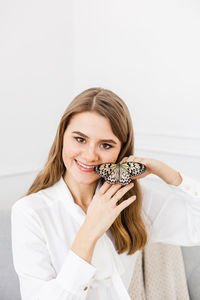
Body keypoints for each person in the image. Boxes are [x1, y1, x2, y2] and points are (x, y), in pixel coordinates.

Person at [11, 87, 200, 300]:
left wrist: (165, 171)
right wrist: (91, 228)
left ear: (121, 151)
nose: (90, 155)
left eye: (106, 145)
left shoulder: (132, 200)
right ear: (62, 136)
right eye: (80, 139)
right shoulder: (30, 213)